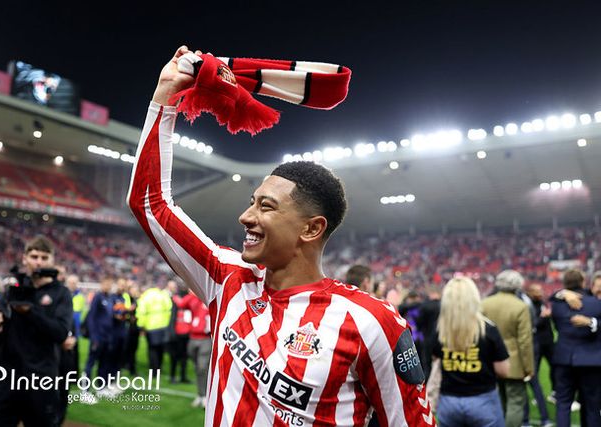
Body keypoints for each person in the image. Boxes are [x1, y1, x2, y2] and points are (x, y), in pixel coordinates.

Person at [127, 45, 434, 426]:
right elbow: (150, 203)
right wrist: (165, 97)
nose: (246, 217)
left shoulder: (370, 321)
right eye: (251, 203)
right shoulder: (228, 279)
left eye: (266, 207)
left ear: (311, 228)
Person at [0, 235, 73, 427]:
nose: (38, 262)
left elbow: (61, 332)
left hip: (40, 380)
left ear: (52, 260)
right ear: (24, 258)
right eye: (34, 256)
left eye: (44, 257)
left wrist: (30, 311)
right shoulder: (12, 289)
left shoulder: (61, 293)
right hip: (6, 377)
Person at [432, 277, 509, 427]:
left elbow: (435, 359)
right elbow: (503, 370)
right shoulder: (488, 329)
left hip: (449, 402)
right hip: (483, 400)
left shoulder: (440, 331)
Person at [482, 270, 534, 427]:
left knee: (498, 400)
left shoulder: (485, 303)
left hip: (490, 360)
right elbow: (525, 341)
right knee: (515, 402)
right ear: (517, 285)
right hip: (513, 362)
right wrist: (529, 367)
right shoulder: (521, 306)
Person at [550, 269, 601, 427]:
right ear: (584, 282)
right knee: (592, 406)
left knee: (563, 403)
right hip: (590, 360)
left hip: (563, 359)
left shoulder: (556, 305)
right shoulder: (596, 304)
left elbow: (552, 298)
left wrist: (562, 293)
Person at [522, 284, 553, 427]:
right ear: (529, 292)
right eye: (537, 291)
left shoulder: (540, 303)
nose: (540, 293)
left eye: (541, 290)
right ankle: (536, 419)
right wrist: (542, 317)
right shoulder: (529, 306)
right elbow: (532, 325)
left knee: (531, 383)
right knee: (531, 382)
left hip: (539, 345)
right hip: (533, 347)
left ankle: (528, 420)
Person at [84, 277, 114, 386]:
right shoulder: (97, 297)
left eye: (110, 284)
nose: (108, 286)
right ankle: (85, 388)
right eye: (106, 284)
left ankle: (100, 386)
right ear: (102, 284)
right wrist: (94, 336)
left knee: (104, 362)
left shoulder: (110, 298)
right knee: (91, 363)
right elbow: (91, 318)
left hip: (107, 337)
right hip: (97, 337)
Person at [135, 285, 172, 372]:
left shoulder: (145, 296)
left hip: (150, 326)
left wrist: (141, 326)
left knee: (152, 349)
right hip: (163, 325)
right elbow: (169, 308)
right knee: (161, 348)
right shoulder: (163, 295)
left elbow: (141, 312)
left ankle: (153, 369)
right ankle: (159, 367)